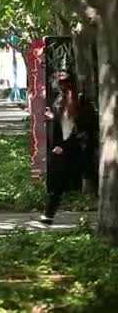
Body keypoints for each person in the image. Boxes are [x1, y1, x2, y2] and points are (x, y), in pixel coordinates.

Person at [39, 71, 93, 225]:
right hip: (65, 147)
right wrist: (57, 143)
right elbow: (60, 124)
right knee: (59, 182)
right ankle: (49, 215)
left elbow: (85, 124)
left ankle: (49, 215)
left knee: (91, 176)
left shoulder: (80, 100)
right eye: (58, 82)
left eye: (62, 82)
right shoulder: (59, 100)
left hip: (78, 146)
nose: (58, 85)